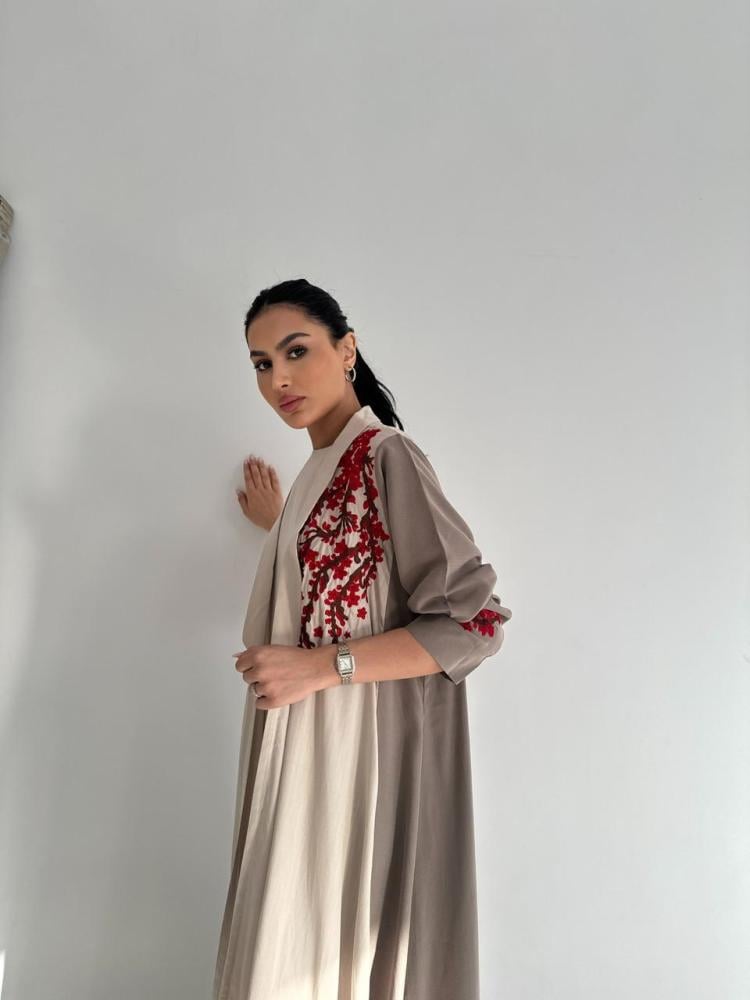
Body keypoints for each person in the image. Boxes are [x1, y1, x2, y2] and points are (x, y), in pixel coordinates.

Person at [212, 278, 513, 1000]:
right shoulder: (317, 474)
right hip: (304, 759)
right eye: (261, 364)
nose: (278, 380)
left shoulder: (385, 455)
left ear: (347, 349)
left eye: (296, 351)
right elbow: (341, 566)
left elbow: (473, 622)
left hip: (356, 766)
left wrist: (320, 668)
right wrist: (281, 527)